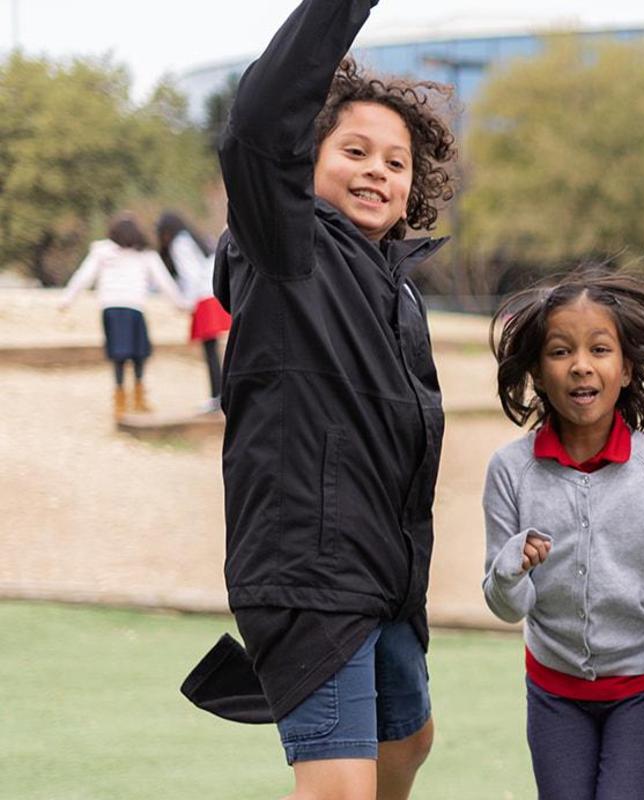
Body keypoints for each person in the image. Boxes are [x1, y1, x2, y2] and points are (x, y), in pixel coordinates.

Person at [178, 1, 459, 798]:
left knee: (408, 740)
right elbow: (257, 127)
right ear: (305, 161)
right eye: (354, 150)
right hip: (309, 573)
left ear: (414, 189)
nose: (377, 170)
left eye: (396, 162)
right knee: (339, 780)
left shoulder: (397, 291)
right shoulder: (288, 250)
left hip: (385, 577)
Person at [483, 267, 644, 800]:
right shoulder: (509, 470)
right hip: (553, 688)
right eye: (559, 352)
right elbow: (506, 604)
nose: (580, 367)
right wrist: (509, 568)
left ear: (626, 370)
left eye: (599, 350)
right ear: (536, 371)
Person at [58, 214, 187, 417]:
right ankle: (138, 396)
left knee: (118, 354)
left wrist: (66, 299)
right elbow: (164, 281)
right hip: (134, 307)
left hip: (111, 307)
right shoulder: (144, 254)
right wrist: (181, 304)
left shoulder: (102, 251)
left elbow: (84, 276)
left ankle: (120, 398)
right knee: (139, 353)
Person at [156, 211, 231, 411]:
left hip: (202, 297)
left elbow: (191, 275)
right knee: (214, 349)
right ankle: (221, 394)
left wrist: (186, 302)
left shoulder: (179, 244)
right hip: (212, 293)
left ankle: (218, 395)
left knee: (210, 350)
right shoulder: (194, 238)